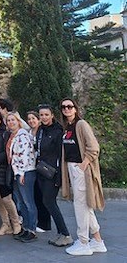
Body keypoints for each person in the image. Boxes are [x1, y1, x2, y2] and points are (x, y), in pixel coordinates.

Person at [60, 98, 107, 256]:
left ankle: (83, 242)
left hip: (80, 169)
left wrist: (84, 164)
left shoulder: (81, 124)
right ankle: (98, 241)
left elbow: (93, 147)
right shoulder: (67, 127)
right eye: (64, 107)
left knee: (80, 206)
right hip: (73, 168)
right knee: (85, 206)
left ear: (75, 109)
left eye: (69, 106)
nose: (66, 109)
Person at [35, 104, 72, 247]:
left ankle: (66, 234)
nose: (43, 117)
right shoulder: (40, 130)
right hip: (42, 171)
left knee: (49, 202)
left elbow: (61, 156)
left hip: (52, 173)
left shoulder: (58, 131)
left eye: (46, 114)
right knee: (48, 202)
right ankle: (61, 233)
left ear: (52, 115)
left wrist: (59, 177)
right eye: (41, 115)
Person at [6, 111, 38, 243]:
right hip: (16, 172)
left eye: (13, 120)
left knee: (28, 202)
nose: (11, 122)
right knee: (21, 203)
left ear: (18, 121)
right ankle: (25, 228)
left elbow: (25, 154)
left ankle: (32, 230)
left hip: (25, 172)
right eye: (8, 121)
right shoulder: (12, 136)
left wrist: (22, 173)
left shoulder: (22, 135)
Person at [27, 110, 51, 233]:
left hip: (42, 166)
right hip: (32, 167)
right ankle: (38, 220)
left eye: (33, 118)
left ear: (39, 120)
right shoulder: (29, 132)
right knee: (35, 194)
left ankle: (45, 223)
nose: (31, 121)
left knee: (43, 195)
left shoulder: (43, 131)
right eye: (29, 119)